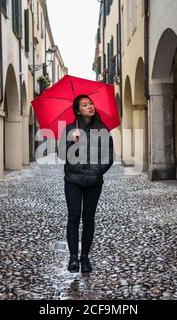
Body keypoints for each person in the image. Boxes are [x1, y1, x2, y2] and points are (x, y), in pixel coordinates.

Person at [58, 94, 114, 273]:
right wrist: (71, 143)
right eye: (84, 104)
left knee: (89, 219)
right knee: (73, 217)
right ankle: (73, 258)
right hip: (73, 180)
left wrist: (98, 171)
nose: (90, 106)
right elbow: (60, 154)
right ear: (77, 110)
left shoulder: (102, 129)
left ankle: (85, 258)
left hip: (94, 182)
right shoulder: (69, 129)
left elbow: (109, 155)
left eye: (90, 103)